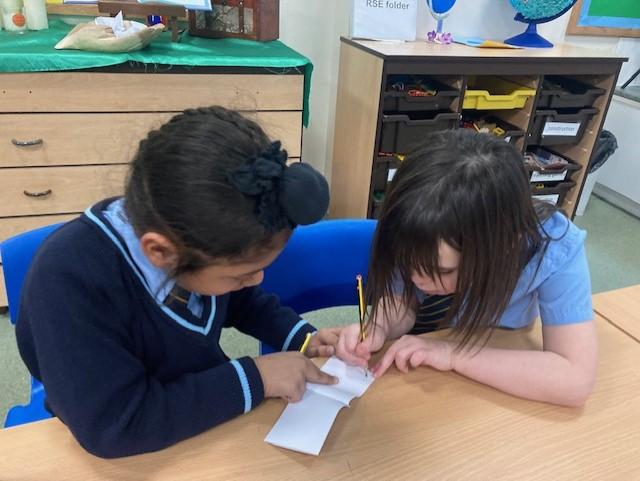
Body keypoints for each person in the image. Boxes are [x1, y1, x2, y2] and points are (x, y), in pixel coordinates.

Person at [16, 106, 341, 458]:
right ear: (160, 252)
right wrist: (257, 377)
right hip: (129, 440)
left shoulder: (192, 233)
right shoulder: (67, 283)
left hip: (201, 415)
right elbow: (116, 426)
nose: (256, 280)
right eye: (240, 274)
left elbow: (239, 299)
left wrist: (303, 338)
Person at [336, 129, 596, 407]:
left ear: (503, 245)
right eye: (408, 262)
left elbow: (575, 379)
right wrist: (380, 326)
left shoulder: (553, 245)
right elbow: (402, 301)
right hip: (424, 370)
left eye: (441, 271)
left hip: (495, 367)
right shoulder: (415, 221)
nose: (416, 279)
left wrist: (453, 354)